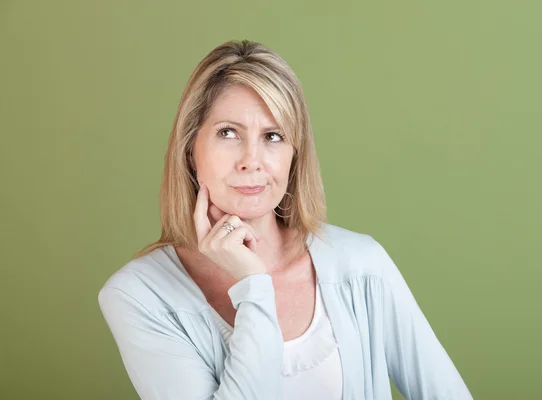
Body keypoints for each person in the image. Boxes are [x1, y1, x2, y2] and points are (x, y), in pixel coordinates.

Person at [98, 39, 473, 400]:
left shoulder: (362, 265)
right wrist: (254, 285)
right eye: (228, 133)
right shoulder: (138, 296)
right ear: (191, 150)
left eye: (273, 136)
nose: (252, 160)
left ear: (295, 154)